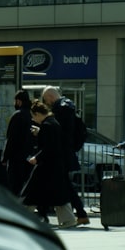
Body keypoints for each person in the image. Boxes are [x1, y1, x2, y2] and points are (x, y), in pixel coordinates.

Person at [20, 100, 77, 228]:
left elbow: (48, 146)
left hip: (46, 165)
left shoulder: (47, 125)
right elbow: (53, 142)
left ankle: (21, 217)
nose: (34, 119)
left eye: (34, 116)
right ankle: (68, 219)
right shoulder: (52, 123)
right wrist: (40, 132)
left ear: (38, 114)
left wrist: (36, 157)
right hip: (54, 166)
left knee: (30, 192)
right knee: (58, 194)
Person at [41, 86, 91, 226]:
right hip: (66, 153)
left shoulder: (61, 109)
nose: (46, 103)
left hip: (61, 154)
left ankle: (80, 214)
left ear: (50, 97)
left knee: (64, 185)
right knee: (64, 185)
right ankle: (80, 214)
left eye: (46, 100)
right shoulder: (68, 107)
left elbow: (60, 133)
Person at [2, 89, 35, 196]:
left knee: (15, 187)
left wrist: (5, 157)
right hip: (30, 157)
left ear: (19, 101)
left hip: (16, 158)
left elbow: (11, 139)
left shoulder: (17, 115)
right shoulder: (33, 115)